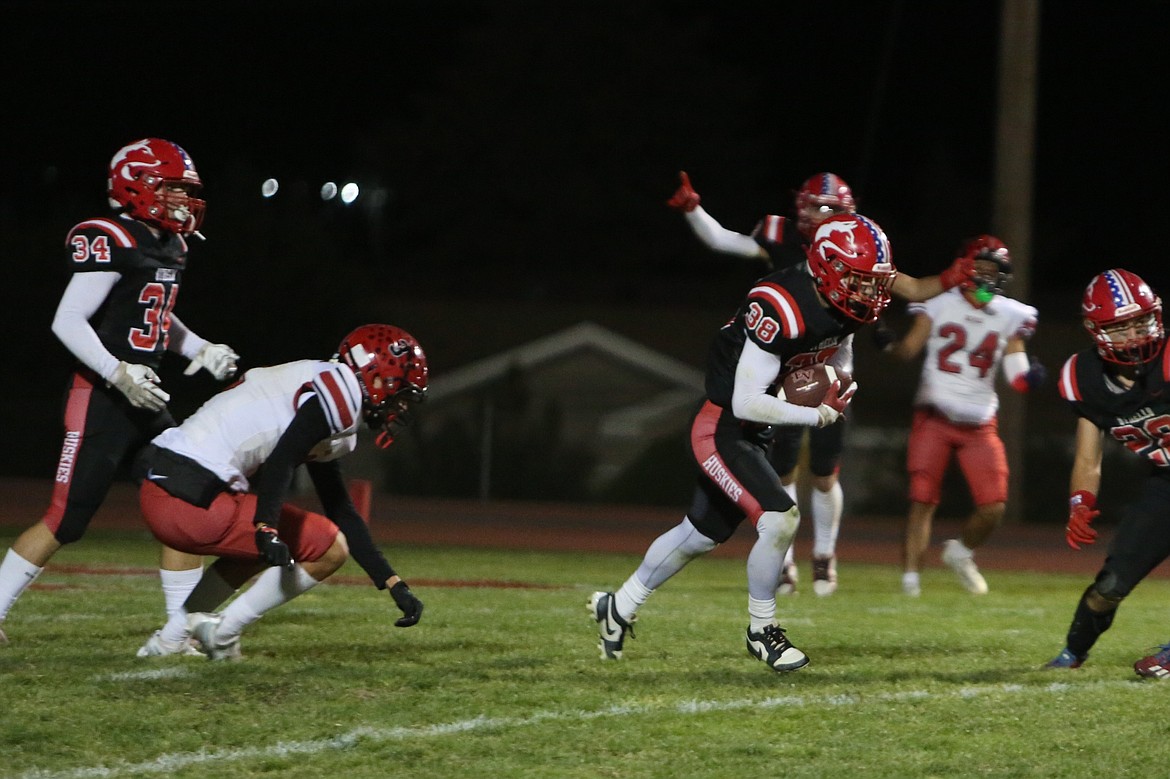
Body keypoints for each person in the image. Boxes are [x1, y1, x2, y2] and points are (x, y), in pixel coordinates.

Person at [590, 212, 961, 672]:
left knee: (699, 534)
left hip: (753, 429)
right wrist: (815, 413)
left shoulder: (844, 304)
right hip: (721, 425)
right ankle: (761, 631)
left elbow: (840, 345)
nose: (868, 292)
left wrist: (837, 377)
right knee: (780, 518)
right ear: (828, 268)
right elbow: (746, 402)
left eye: (873, 282)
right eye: (859, 280)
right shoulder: (780, 304)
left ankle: (618, 606)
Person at [666, 171, 972, 596]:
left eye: (834, 208)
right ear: (801, 206)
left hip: (827, 368)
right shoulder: (781, 236)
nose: (824, 214)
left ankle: (825, 556)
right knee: (782, 470)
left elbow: (913, 287)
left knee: (825, 471)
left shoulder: (859, 247)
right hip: (778, 368)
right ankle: (786, 564)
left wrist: (955, 276)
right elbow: (724, 240)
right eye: (819, 206)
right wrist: (693, 210)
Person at [0, 139, 239, 646]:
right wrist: (117, 373)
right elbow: (68, 320)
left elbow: (156, 315)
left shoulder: (171, 244)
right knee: (67, 519)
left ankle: (178, 632)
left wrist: (199, 347)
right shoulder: (111, 237)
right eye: (171, 188)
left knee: (183, 498)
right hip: (102, 396)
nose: (182, 200)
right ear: (137, 186)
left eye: (185, 190)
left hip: (144, 397)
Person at [133, 324, 428, 660]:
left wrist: (392, 582)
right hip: (192, 499)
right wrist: (266, 527)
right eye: (400, 394)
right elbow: (282, 460)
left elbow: (340, 508)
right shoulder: (341, 394)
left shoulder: (319, 383)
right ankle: (223, 632)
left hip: (166, 485)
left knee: (257, 552)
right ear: (376, 377)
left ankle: (169, 640)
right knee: (328, 547)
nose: (401, 407)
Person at [884, 236, 1043, 597]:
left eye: (994, 270)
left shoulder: (1010, 313)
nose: (987, 275)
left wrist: (1029, 378)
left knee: (994, 506)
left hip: (979, 423)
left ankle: (960, 552)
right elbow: (909, 349)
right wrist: (890, 347)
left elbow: (1016, 375)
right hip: (935, 416)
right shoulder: (939, 301)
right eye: (981, 267)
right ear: (965, 267)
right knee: (922, 499)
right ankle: (910, 581)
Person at [1043, 270, 1170, 677]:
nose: (1133, 336)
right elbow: (1088, 457)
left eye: (1140, 323)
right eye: (1120, 328)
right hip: (1166, 483)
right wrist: (1080, 502)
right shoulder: (1084, 378)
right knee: (1110, 586)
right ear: (1096, 331)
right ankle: (1072, 654)